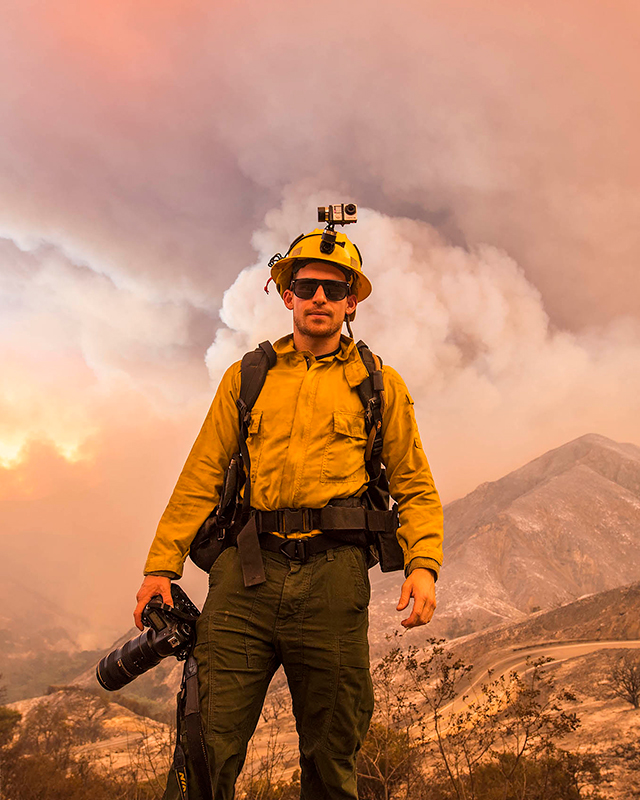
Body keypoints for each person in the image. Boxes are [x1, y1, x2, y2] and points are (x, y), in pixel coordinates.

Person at [134, 222, 443, 800]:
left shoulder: (379, 384)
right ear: (287, 294)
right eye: (307, 286)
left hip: (333, 580)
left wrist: (423, 564)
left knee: (332, 752)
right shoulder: (247, 377)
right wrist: (161, 566)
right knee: (203, 744)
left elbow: (415, 487)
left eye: (334, 287)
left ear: (352, 300)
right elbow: (201, 473)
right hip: (245, 574)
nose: (320, 297)